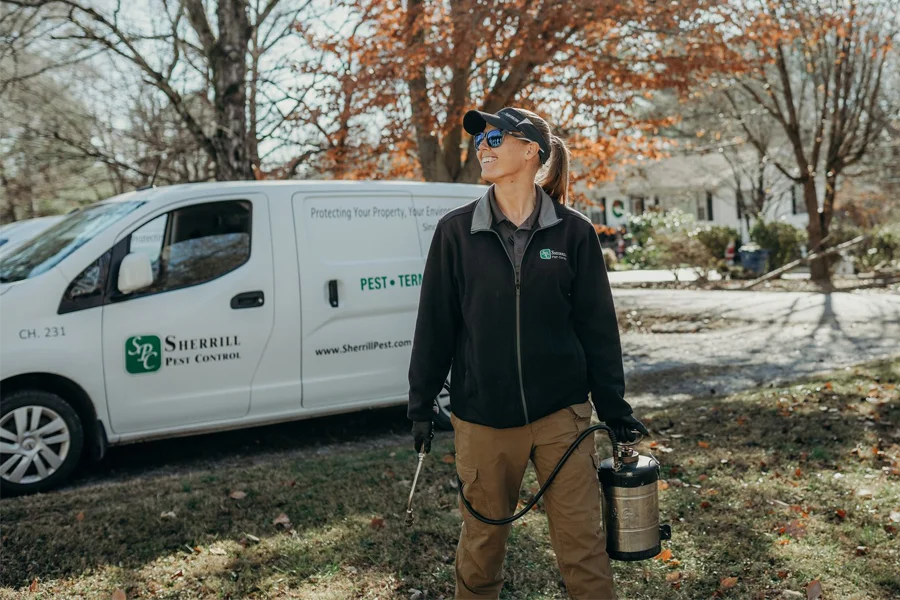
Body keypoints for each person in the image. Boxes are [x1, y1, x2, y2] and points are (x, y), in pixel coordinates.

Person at [407, 107, 647, 600]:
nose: (483, 147)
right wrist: (421, 402)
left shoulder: (574, 233)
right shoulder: (456, 233)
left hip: (562, 417)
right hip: (482, 419)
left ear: (532, 148)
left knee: (584, 548)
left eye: (495, 136)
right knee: (481, 549)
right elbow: (435, 324)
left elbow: (598, 330)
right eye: (479, 140)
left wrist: (614, 408)